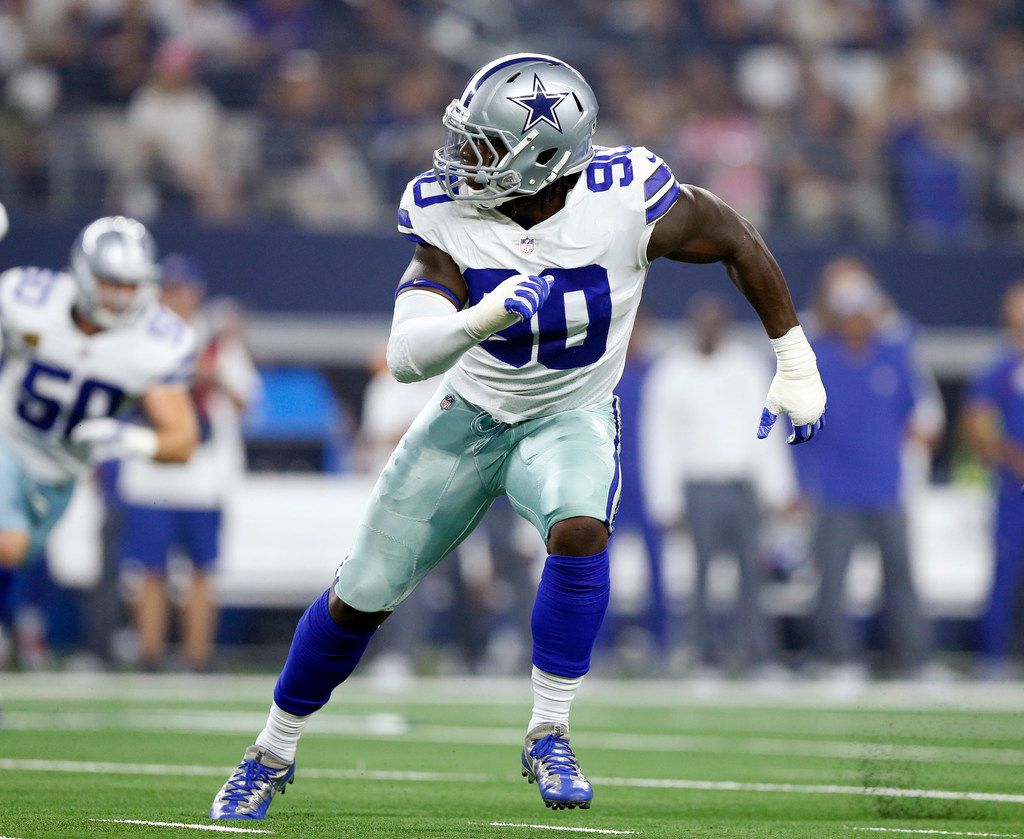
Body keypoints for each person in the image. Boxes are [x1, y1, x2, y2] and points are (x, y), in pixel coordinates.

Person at [210, 53, 826, 820]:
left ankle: (550, 730)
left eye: (482, 146)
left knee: (579, 527)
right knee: (362, 592)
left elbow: (737, 237)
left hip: (570, 413)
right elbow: (406, 358)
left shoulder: (627, 194)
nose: (460, 159)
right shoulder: (446, 211)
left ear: (543, 158)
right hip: (467, 417)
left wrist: (794, 357)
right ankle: (270, 750)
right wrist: (482, 316)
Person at [0, 216, 199, 659]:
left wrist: (128, 440)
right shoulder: (28, 298)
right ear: (83, 274)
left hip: (63, 469)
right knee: (6, 544)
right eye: (112, 283)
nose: (121, 296)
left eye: (132, 285)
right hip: (8, 436)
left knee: (16, 557)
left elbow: (182, 440)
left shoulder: (158, 341)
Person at [117, 256, 259, 671]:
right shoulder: (138, 339)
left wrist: (211, 376)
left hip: (203, 476)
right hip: (151, 472)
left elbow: (246, 402)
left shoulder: (217, 343)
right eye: (170, 290)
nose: (177, 299)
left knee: (202, 571)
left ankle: (198, 658)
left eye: (183, 290)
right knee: (149, 571)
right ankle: (150, 655)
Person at [793, 262, 935, 678]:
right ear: (836, 315)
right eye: (848, 311)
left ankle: (913, 660)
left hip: (887, 489)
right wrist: (804, 483)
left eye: (864, 310)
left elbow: (916, 415)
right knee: (832, 583)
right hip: (835, 491)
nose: (857, 319)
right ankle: (835, 659)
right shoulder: (819, 358)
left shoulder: (894, 355)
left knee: (901, 579)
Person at [644, 293, 798, 676]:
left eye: (717, 321)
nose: (710, 329)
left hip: (742, 485)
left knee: (751, 573)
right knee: (697, 575)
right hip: (697, 486)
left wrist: (778, 489)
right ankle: (698, 654)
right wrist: (665, 500)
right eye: (703, 321)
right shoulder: (671, 371)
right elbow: (658, 439)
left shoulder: (747, 366)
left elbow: (768, 429)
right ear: (693, 324)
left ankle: (757, 655)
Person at [963, 281, 1024, 679]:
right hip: (1015, 490)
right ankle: (995, 658)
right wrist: (1012, 458)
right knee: (1007, 573)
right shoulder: (1003, 365)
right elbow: (977, 423)